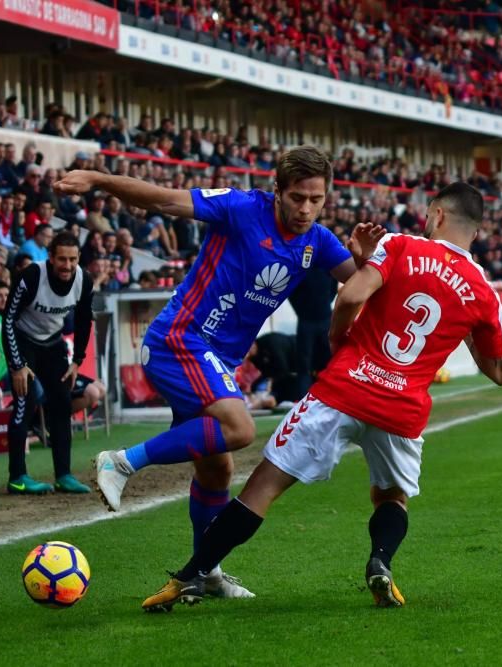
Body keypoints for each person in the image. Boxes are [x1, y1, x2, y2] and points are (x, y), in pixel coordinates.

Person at [139, 182, 502, 613]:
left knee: (263, 487)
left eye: (430, 215)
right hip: (401, 408)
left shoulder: (401, 246)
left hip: (344, 388)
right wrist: (461, 324)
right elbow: (500, 372)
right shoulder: (482, 290)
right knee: (390, 496)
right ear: (477, 231)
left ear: (438, 215)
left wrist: (339, 339)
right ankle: (381, 561)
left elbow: (351, 294)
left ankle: (189, 577)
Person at [56, 146, 382, 598]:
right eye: (296, 198)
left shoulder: (319, 241)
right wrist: (98, 178)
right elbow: (162, 199)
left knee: (216, 472)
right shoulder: (240, 207)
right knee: (239, 427)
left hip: (214, 360)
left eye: (316, 199)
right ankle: (121, 462)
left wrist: (368, 261)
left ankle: (203, 575)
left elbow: (367, 288)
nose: (305, 209)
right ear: (277, 191)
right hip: (179, 340)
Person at [2, 232, 94, 494]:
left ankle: (64, 475)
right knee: (26, 401)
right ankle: (17, 476)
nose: (67, 265)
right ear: (51, 258)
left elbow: (85, 321)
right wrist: (17, 365)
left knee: (62, 403)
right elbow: (8, 319)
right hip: (24, 340)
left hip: (52, 344)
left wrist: (77, 361)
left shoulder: (83, 280)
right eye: (62, 259)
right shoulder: (32, 275)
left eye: (72, 259)